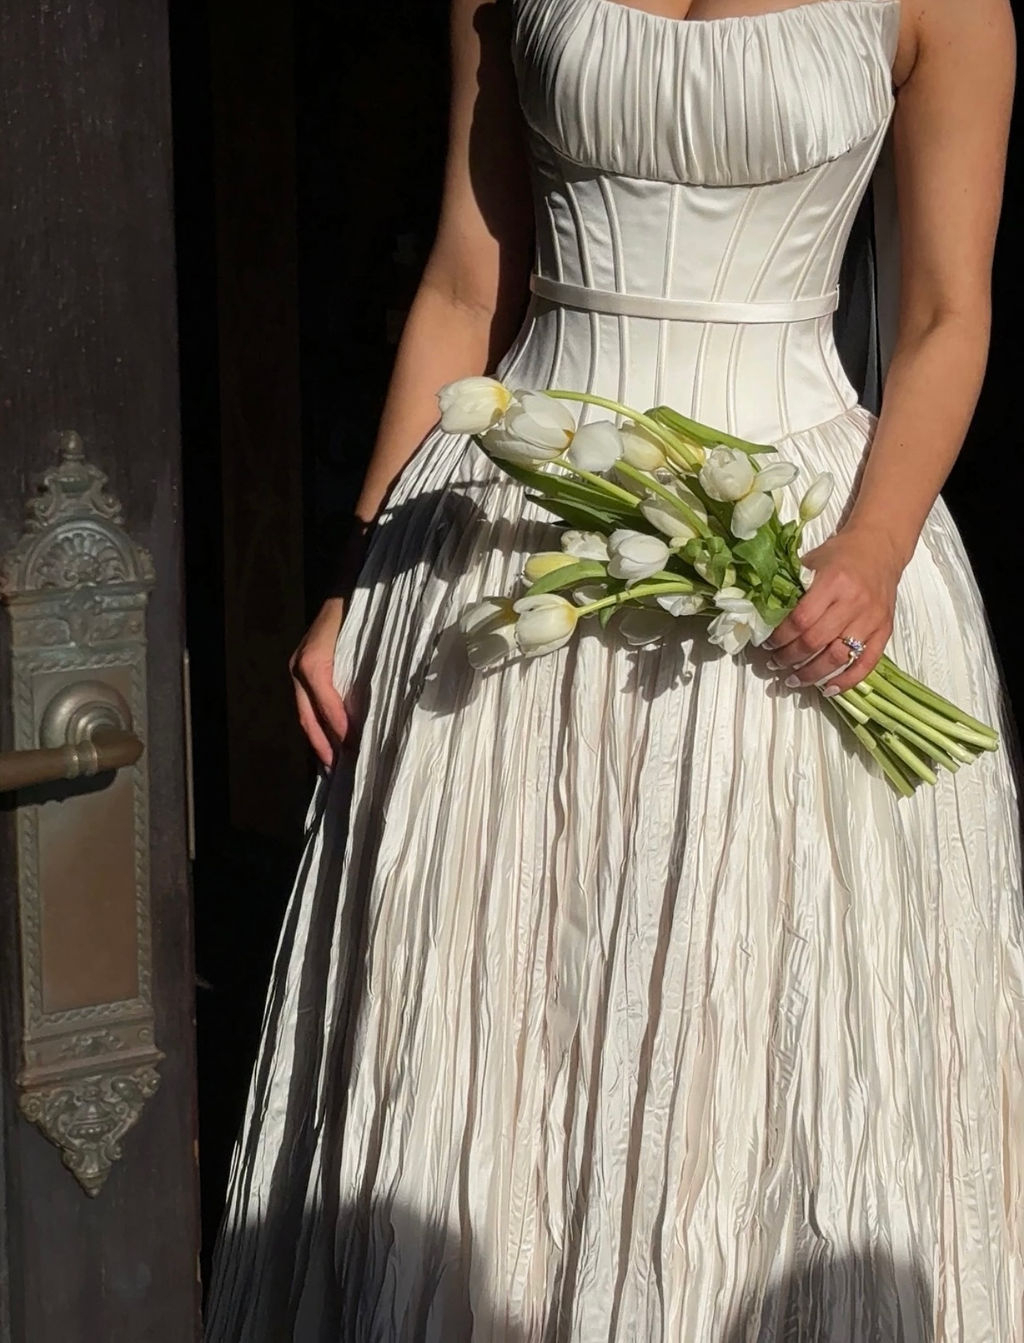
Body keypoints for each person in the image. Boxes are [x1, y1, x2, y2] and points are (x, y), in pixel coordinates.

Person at [205, 0, 1024, 1337]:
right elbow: (465, 286)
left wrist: (874, 547)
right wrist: (357, 576)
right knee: (498, 1024)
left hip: (804, 544)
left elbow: (946, 312)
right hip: (509, 537)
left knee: (748, 1025)